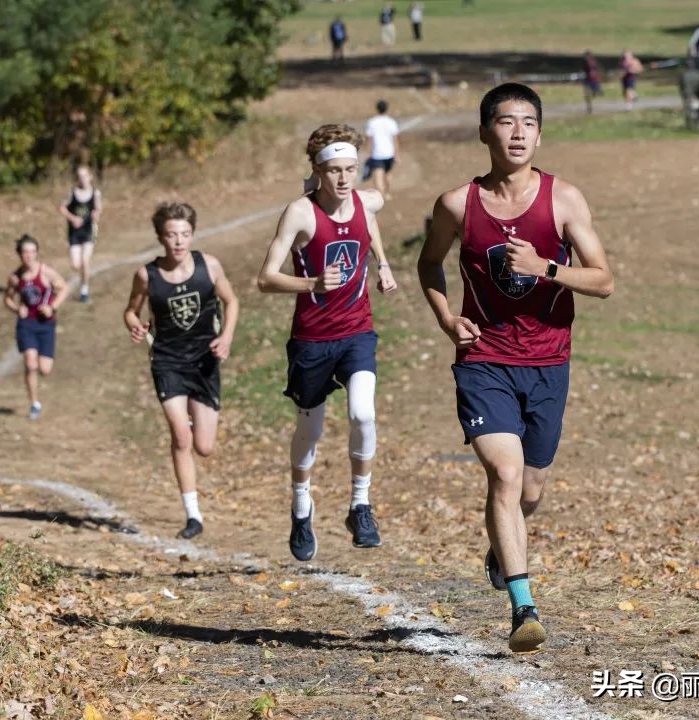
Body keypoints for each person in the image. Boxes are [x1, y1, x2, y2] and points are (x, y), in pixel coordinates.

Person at [417, 83, 613, 653]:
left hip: (549, 360)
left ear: (540, 133)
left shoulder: (565, 200)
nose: (519, 132)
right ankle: (523, 606)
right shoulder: (457, 204)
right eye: (506, 122)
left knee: (530, 488)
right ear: (485, 132)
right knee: (503, 475)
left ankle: (505, 552)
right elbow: (429, 262)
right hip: (484, 359)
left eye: (529, 122)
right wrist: (446, 318)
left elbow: (603, 280)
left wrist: (548, 267)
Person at [257, 124, 398, 563]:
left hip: (357, 330)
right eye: (334, 170)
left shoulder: (365, 199)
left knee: (363, 412)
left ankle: (360, 506)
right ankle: (302, 506)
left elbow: (373, 212)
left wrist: (384, 262)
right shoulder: (300, 213)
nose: (343, 179)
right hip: (312, 339)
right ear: (318, 171)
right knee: (310, 431)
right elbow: (264, 279)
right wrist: (312, 282)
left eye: (351, 169)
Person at [123, 202, 240, 539]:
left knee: (204, 446)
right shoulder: (147, 275)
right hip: (167, 360)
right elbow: (131, 311)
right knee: (181, 437)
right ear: (161, 237)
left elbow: (231, 301)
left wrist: (227, 336)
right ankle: (193, 516)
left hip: (204, 360)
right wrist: (135, 326)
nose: (178, 241)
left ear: (193, 235)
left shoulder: (210, 266)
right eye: (172, 235)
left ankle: (191, 422)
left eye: (185, 234)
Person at [3, 235, 69, 421]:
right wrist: (17, 309)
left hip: (46, 324)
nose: (29, 256)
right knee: (30, 363)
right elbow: (7, 299)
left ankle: (36, 393)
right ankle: (34, 403)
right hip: (26, 324)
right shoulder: (15, 278)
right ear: (20, 255)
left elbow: (64, 288)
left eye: (32, 251)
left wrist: (52, 307)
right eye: (25, 252)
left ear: (37, 253)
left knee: (45, 369)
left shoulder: (46, 273)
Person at [58, 164, 102, 303]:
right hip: (74, 232)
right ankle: (83, 280)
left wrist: (96, 214)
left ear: (90, 177)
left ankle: (84, 291)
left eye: (84, 176)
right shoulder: (72, 193)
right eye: (79, 176)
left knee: (85, 261)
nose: (82, 179)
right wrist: (72, 218)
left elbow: (99, 208)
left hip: (89, 231)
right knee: (75, 265)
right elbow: (62, 207)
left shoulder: (95, 193)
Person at [365, 100, 400, 199]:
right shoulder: (391, 122)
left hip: (377, 154)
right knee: (388, 174)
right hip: (389, 154)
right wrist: (396, 154)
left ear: (377, 109)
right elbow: (395, 140)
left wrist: (368, 152)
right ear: (386, 109)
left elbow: (369, 139)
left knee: (378, 176)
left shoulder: (371, 122)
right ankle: (387, 193)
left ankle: (381, 195)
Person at [679, 56, 699, 130]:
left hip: (687, 95)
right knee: (696, 110)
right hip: (696, 95)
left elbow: (681, 86)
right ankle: (695, 124)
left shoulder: (684, 74)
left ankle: (690, 126)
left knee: (689, 111)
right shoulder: (698, 74)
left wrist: (684, 94)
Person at [581, 50, 603, 115]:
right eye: (585, 56)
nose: (585, 57)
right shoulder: (584, 63)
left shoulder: (594, 62)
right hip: (587, 80)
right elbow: (584, 71)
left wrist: (597, 75)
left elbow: (598, 70)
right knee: (586, 94)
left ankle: (597, 91)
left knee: (595, 93)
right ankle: (589, 107)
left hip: (594, 80)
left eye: (586, 56)